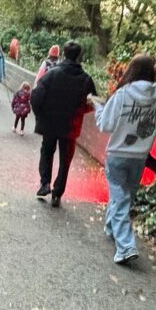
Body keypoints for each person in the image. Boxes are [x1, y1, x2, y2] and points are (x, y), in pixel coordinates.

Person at [95, 54, 156, 264]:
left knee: (120, 197)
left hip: (118, 154)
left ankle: (126, 247)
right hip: (140, 156)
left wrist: (98, 109)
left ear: (132, 70)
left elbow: (106, 125)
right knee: (125, 196)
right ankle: (111, 228)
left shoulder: (122, 94)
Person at [30, 41, 97, 208]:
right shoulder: (86, 79)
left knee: (47, 152)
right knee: (65, 160)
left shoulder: (52, 74)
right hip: (71, 125)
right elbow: (93, 102)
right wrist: (79, 111)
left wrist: (41, 116)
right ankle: (57, 193)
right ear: (79, 56)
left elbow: (36, 97)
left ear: (63, 54)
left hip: (50, 123)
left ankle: (45, 183)